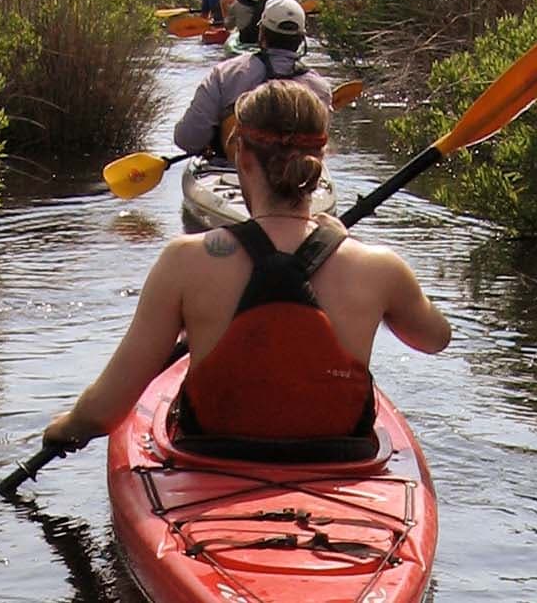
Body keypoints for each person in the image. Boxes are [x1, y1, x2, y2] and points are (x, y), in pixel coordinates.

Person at [42, 80, 451, 450]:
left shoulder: (185, 261)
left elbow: (103, 414)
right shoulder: (380, 267)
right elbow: (436, 339)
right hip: (341, 458)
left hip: (211, 457)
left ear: (241, 156)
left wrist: (65, 428)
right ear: (321, 161)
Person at [174, 0, 330, 159]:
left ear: (262, 33)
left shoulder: (224, 74)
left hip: (230, 170)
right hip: (297, 177)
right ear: (301, 40)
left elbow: (187, 139)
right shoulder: (320, 88)